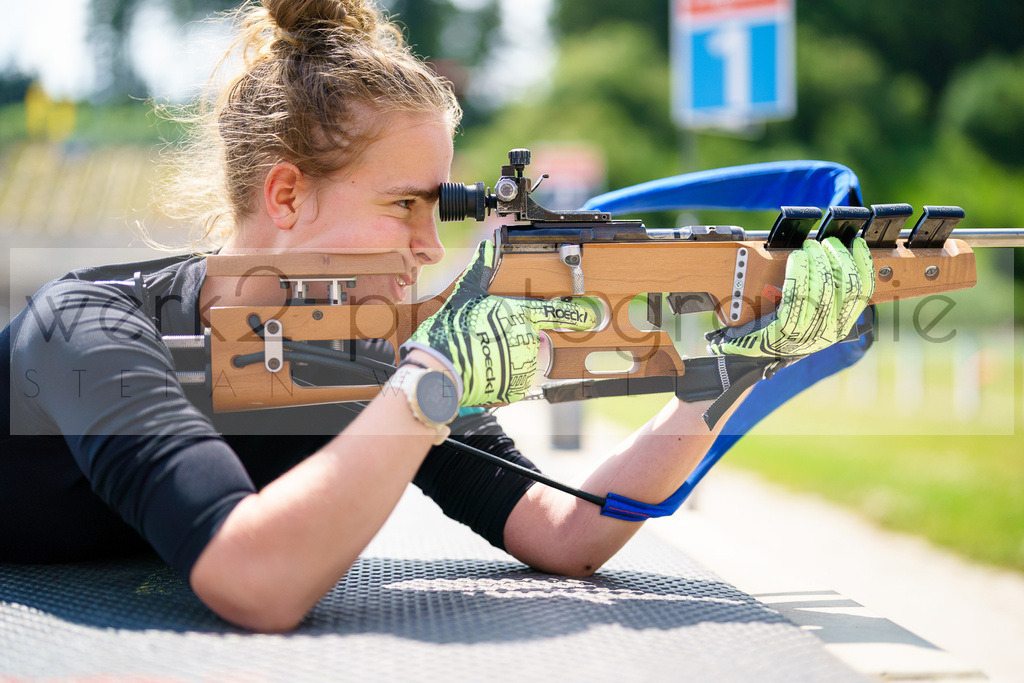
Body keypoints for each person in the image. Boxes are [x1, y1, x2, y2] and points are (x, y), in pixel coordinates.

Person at [0, 0, 874, 632]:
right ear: (286, 196)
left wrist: (731, 370)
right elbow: (254, 580)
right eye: (403, 206)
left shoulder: (361, 346)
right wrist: (426, 387)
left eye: (439, 211)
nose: (428, 248)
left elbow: (566, 531)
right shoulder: (88, 326)